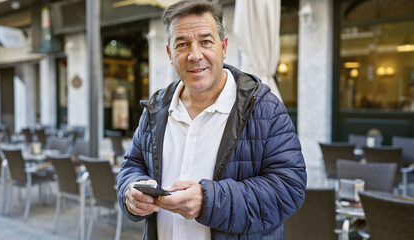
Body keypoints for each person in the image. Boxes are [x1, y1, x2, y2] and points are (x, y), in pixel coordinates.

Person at [117, 0, 307, 239]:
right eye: (182, 44)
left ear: (223, 47)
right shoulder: (155, 110)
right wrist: (130, 191)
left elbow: (289, 189)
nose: (195, 55)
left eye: (205, 42)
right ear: (169, 53)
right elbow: (132, 166)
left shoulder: (265, 109)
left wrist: (209, 201)